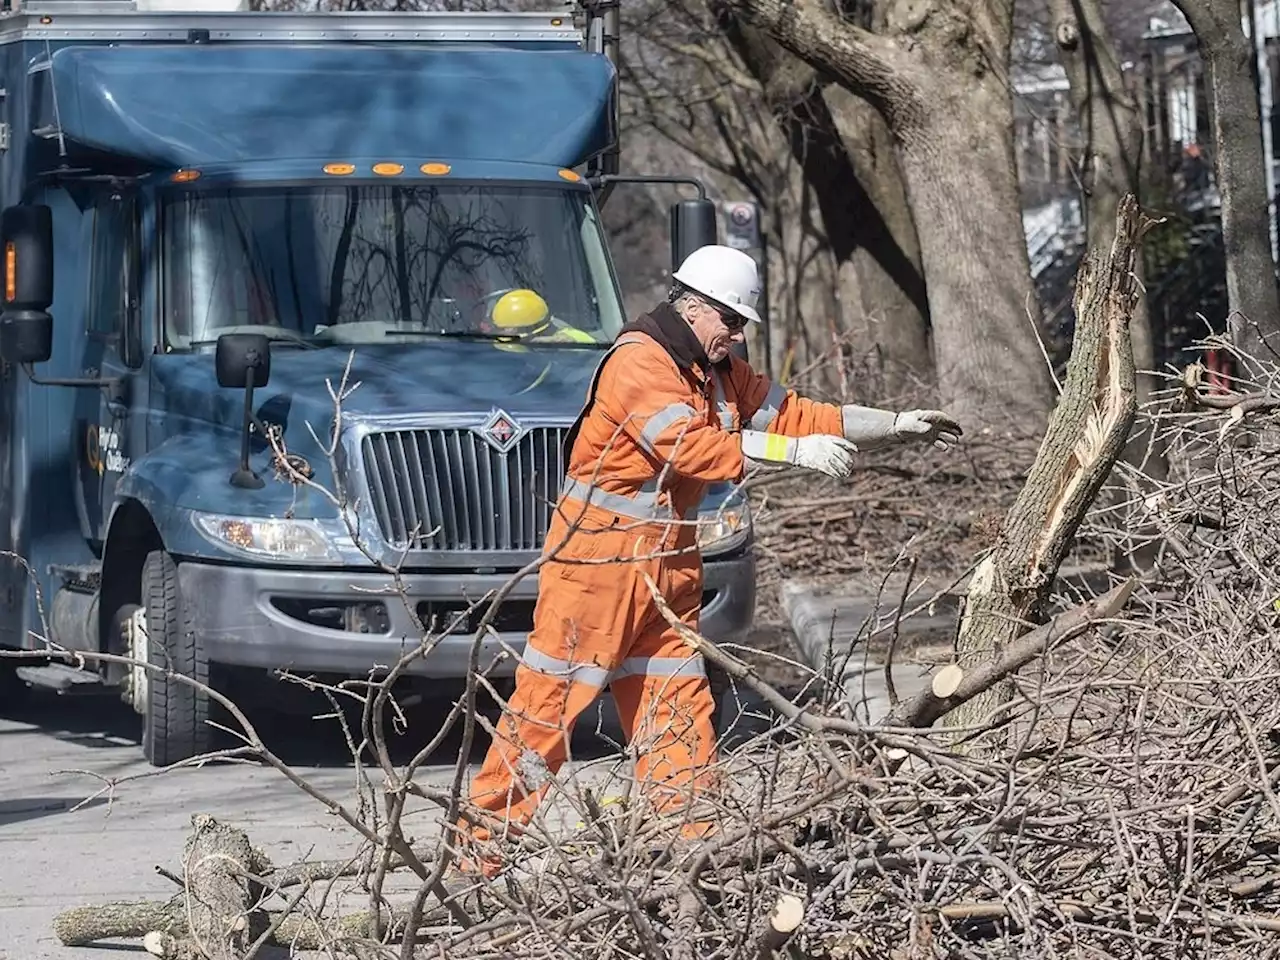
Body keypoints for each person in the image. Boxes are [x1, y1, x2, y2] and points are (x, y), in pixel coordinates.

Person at [458, 245, 961, 875]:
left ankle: (691, 858)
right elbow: (688, 448)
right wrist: (795, 454)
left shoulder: (714, 368)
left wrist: (893, 424)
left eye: (743, 323)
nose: (737, 334)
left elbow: (797, 411)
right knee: (546, 717)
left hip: (666, 569)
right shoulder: (639, 363)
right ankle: (475, 861)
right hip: (598, 570)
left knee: (679, 715)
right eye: (729, 320)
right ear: (692, 306)